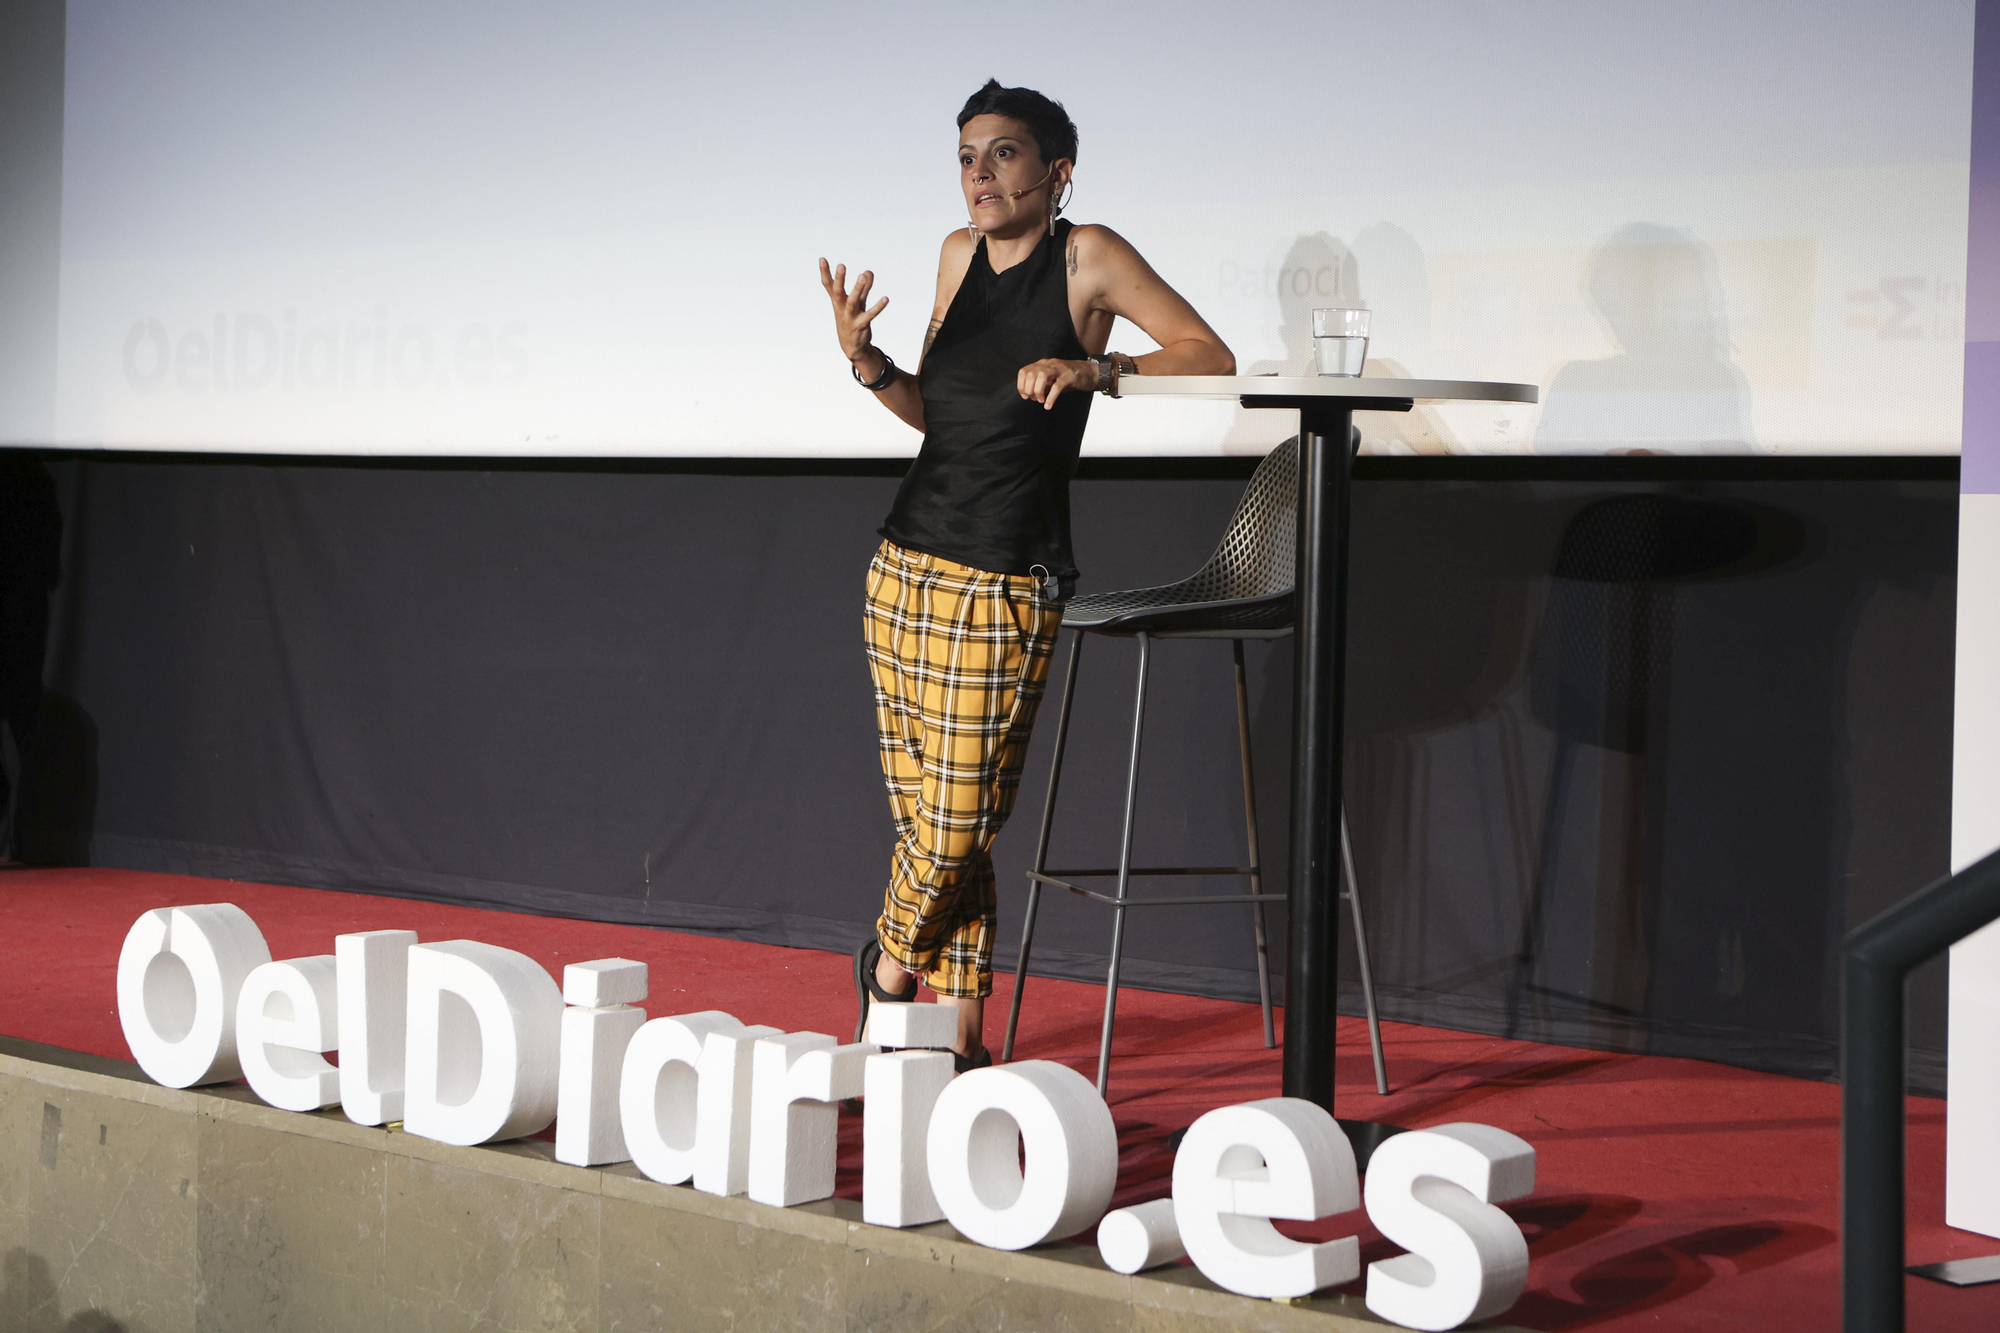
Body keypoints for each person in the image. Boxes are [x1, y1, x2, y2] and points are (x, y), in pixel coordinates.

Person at [819, 79, 1233, 1071]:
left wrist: (1099, 369)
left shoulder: (1087, 256)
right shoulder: (955, 255)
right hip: (901, 567)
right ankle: (958, 1050)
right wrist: (866, 360)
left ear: (1056, 170)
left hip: (1003, 578)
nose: (978, 175)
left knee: (955, 823)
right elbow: (938, 416)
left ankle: (882, 969)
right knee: (931, 825)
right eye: (965, 156)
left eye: (1002, 154)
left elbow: (1208, 354)